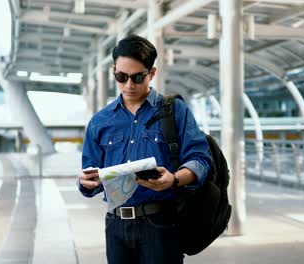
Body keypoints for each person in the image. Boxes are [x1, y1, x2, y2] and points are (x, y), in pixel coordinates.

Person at [77, 35, 212, 264]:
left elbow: (200, 159)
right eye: (121, 77)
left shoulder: (175, 111)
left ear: (152, 73)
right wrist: (85, 183)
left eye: (138, 77)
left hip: (160, 223)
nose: (129, 85)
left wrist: (174, 179)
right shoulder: (100, 121)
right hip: (116, 225)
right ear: (113, 71)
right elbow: (89, 174)